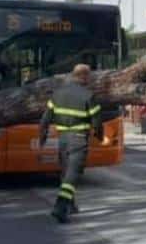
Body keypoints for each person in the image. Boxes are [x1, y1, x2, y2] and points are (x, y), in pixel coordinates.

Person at [39, 64, 102, 224]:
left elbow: (45, 119)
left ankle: (71, 205)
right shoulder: (88, 95)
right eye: (89, 78)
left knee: (66, 171)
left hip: (63, 139)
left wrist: (43, 136)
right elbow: (97, 121)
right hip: (79, 139)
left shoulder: (57, 94)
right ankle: (60, 206)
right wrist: (100, 135)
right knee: (72, 174)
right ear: (85, 77)